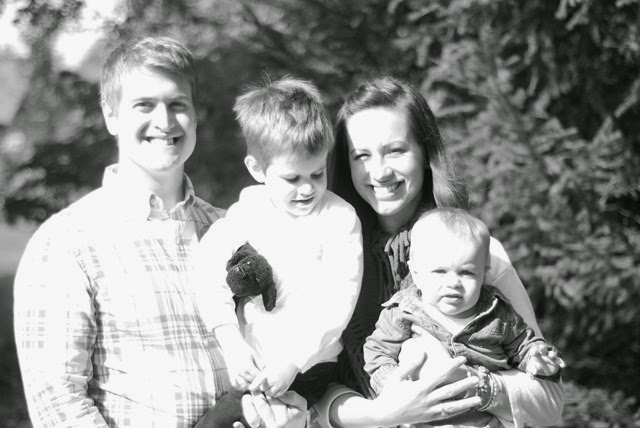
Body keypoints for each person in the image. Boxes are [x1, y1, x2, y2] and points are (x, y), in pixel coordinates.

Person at [13, 36, 307, 428]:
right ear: (111, 116)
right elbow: (59, 405)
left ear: (194, 116)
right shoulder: (66, 242)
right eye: (144, 105)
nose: (164, 121)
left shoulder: (235, 230)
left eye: (177, 104)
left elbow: (285, 341)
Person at [306, 76, 565, 428]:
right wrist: (382, 413)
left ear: (426, 154)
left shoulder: (477, 252)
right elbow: (316, 385)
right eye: (362, 155)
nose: (379, 171)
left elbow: (549, 402)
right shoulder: (332, 255)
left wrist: (472, 385)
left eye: (395, 150)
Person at [191, 77, 363, 426]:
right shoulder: (248, 212)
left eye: (317, 174)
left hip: (310, 366)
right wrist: (231, 342)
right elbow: (206, 273)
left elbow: (339, 300)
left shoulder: (338, 218)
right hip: (255, 365)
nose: (307, 189)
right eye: (292, 179)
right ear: (257, 169)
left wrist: (293, 361)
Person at [364, 207, 564, 427]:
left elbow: (523, 346)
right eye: (440, 271)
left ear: (484, 273)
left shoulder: (498, 314)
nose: (453, 283)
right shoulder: (403, 312)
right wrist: (392, 385)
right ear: (416, 273)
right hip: (426, 417)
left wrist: (537, 359)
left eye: (466, 272)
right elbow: (378, 353)